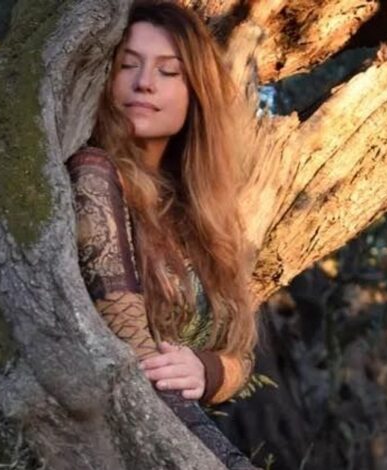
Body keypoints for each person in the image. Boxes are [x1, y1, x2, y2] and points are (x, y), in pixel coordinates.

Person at [66, 1, 259, 467]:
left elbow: (241, 356)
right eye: (127, 65)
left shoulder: (202, 216)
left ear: (196, 93)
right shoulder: (93, 175)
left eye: (168, 71)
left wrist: (207, 370)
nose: (144, 82)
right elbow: (137, 360)